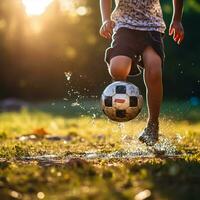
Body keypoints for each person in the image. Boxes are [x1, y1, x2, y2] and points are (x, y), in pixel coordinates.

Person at [99, 0, 184, 146]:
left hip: (152, 27)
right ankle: (121, 100)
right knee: (118, 68)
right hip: (125, 25)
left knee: (155, 72)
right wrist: (106, 19)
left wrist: (176, 20)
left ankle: (152, 125)